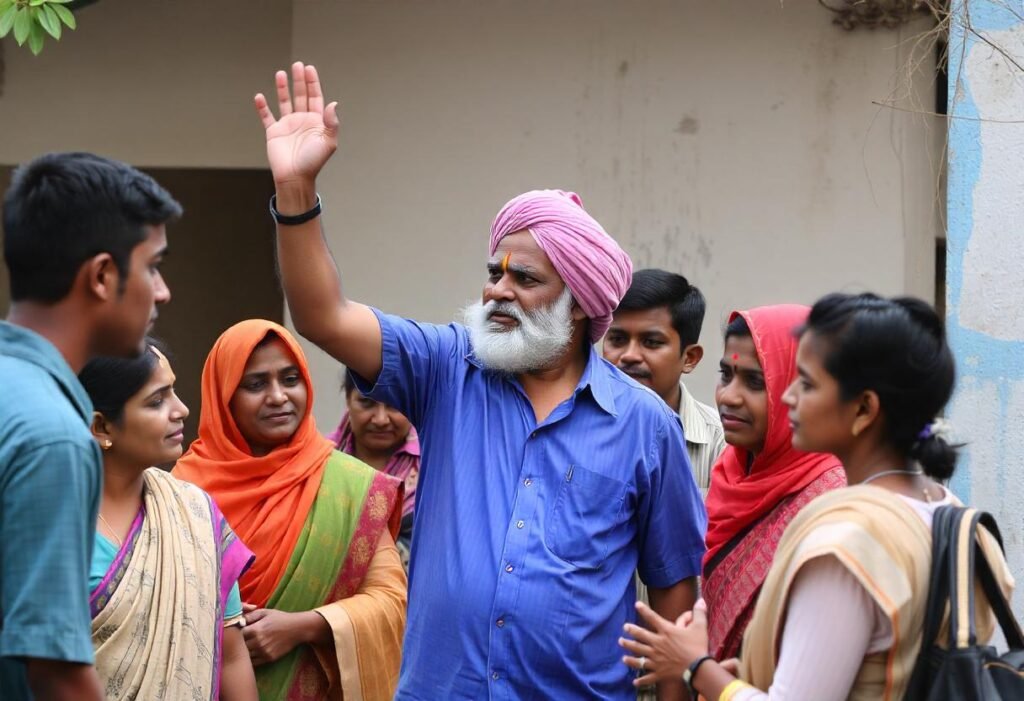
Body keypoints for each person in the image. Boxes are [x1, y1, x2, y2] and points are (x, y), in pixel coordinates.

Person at [253, 62, 706, 699]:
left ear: (578, 305)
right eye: (494, 271)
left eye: (525, 279)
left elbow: (673, 605)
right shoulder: (448, 369)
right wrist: (296, 191)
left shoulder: (645, 426)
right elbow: (322, 317)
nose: (497, 290)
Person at [620, 293, 1015, 701]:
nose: (787, 396)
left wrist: (696, 667)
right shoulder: (949, 509)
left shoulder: (845, 544)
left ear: (863, 409)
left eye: (805, 384)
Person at [0, 152, 177, 700]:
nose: (163, 290)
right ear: (102, 276)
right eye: (152, 266)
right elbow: (53, 669)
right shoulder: (53, 435)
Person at [174, 320, 406, 701]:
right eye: (255, 384)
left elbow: (389, 601)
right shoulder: (183, 491)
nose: (279, 396)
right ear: (223, 395)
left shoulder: (348, 485)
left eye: (290, 379)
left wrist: (302, 626)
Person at [78, 341, 257, 700]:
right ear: (101, 427)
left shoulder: (195, 514)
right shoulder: (52, 525)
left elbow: (232, 657)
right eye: (156, 401)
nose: (182, 410)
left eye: (173, 391)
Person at [700, 306, 845, 660]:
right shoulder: (730, 471)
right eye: (726, 375)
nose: (728, 397)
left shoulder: (830, 500)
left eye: (754, 382)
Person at [603, 268, 725, 494]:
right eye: (617, 339)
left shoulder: (720, 443)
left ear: (689, 358)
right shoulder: (573, 426)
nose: (629, 355)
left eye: (651, 342)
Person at [329, 373, 420, 569]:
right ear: (348, 399)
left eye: (394, 403)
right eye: (366, 403)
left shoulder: (435, 466)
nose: (380, 419)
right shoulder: (319, 461)